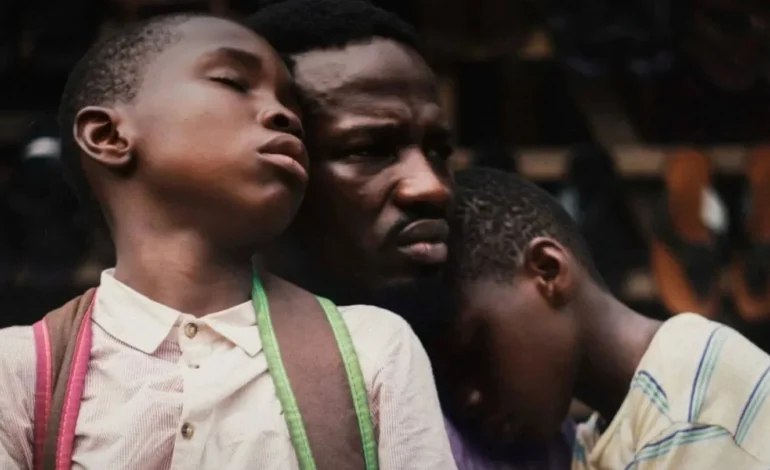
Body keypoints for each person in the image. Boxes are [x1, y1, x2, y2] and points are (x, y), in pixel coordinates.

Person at [0, 13, 455, 469]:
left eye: (289, 102)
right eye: (233, 81)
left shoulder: (371, 349)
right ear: (108, 135)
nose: (285, 115)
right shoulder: (19, 369)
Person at [247, 1, 574, 468]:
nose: (432, 186)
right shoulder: (195, 401)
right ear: (268, 171)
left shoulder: (502, 403)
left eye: (438, 150)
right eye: (368, 150)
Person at [438, 167, 770, 469]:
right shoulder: (613, 431)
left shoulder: (690, 414)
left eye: (475, 349)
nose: (470, 399)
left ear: (548, 271)